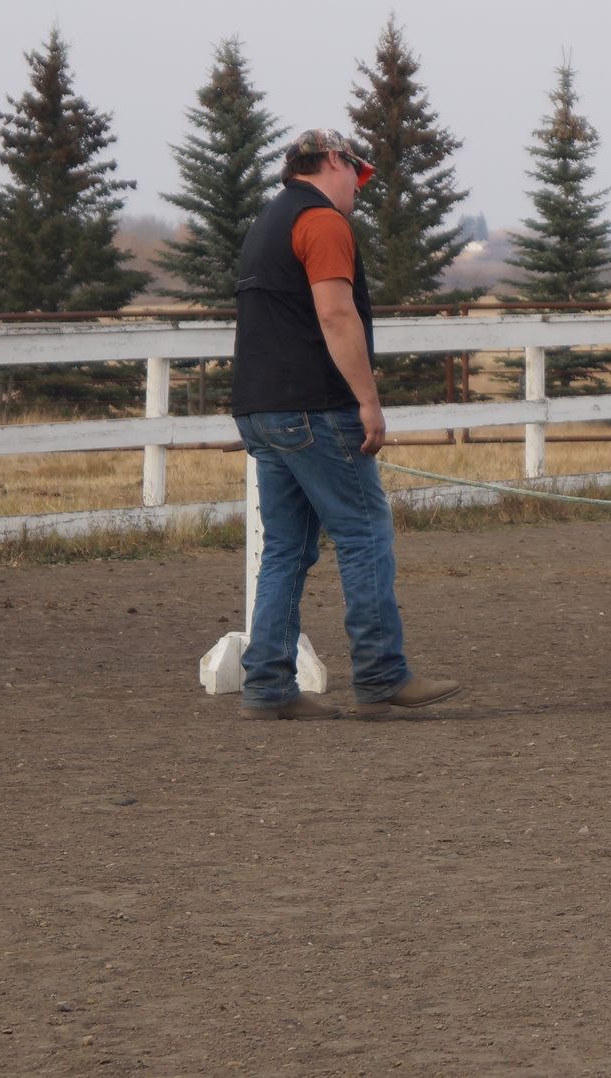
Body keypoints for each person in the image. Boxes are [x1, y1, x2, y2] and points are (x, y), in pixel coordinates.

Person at [229, 128, 459, 721]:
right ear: (332, 161)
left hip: (260, 408)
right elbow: (335, 314)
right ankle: (381, 676)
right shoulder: (323, 223)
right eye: (355, 175)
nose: (357, 190)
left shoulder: (267, 223)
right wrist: (369, 401)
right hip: (314, 406)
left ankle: (268, 684)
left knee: (285, 548)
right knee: (364, 534)